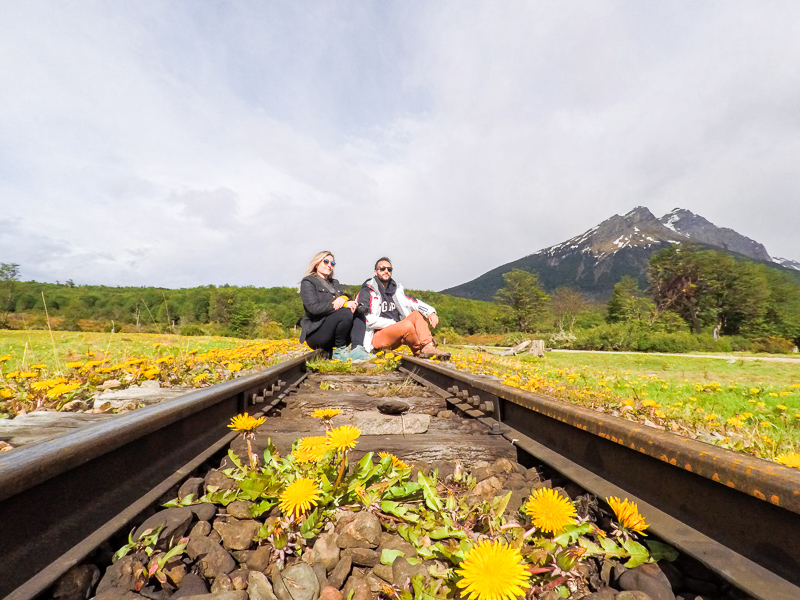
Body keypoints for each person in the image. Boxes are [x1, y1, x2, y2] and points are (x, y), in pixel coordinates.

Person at [355, 257, 450, 359]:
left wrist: (431, 312)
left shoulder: (395, 291)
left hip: (396, 333)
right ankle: (418, 350)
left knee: (417, 315)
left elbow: (413, 302)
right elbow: (366, 319)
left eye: (389, 269)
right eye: (382, 269)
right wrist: (394, 324)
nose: (386, 271)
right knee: (406, 325)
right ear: (375, 272)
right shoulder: (367, 291)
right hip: (376, 337)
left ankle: (427, 346)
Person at [299, 251, 371, 361]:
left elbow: (344, 297)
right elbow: (314, 308)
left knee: (357, 311)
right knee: (345, 312)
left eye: (332, 263)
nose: (329, 265)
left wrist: (345, 298)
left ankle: (357, 349)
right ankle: (340, 351)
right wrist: (342, 305)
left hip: (336, 333)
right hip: (317, 332)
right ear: (317, 263)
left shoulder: (334, 283)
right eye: (326, 261)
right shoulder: (308, 282)